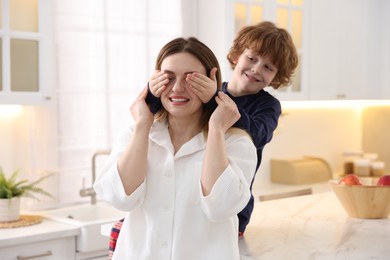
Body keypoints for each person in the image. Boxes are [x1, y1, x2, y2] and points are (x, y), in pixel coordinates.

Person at [94, 37, 257, 260]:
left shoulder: (236, 144)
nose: (178, 88)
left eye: (191, 78)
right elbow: (120, 199)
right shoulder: (137, 136)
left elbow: (220, 207)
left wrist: (217, 129)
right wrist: (143, 124)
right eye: (168, 78)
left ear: (211, 80)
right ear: (155, 82)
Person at [148, 21, 299, 235]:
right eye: (252, 58)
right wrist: (153, 88)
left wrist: (214, 99)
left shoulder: (268, 106)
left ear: (276, 76)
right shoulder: (210, 91)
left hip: (232, 209)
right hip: (190, 204)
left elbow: (256, 134)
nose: (256, 69)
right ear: (237, 56)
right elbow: (169, 109)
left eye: (268, 67)